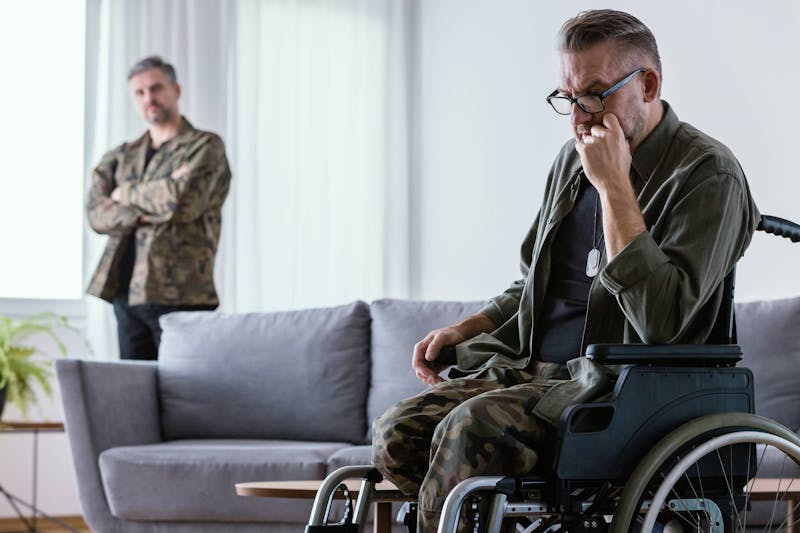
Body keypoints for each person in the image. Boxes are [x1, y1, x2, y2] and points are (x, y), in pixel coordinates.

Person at [372, 9, 760, 533]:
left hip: (614, 389)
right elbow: (532, 283)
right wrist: (465, 329)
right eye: (568, 97)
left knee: (469, 429)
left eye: (596, 94)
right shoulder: (570, 160)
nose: (579, 117)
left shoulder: (707, 173)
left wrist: (615, 189)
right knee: (397, 431)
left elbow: (664, 322)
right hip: (532, 371)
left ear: (647, 84)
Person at [86, 56, 232, 360]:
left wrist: (124, 193)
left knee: (187, 393)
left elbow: (182, 204)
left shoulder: (205, 146)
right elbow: (96, 213)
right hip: (126, 293)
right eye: (139, 93)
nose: (148, 98)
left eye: (156, 88)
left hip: (183, 294)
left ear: (175, 90)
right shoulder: (122, 156)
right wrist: (158, 196)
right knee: (135, 395)